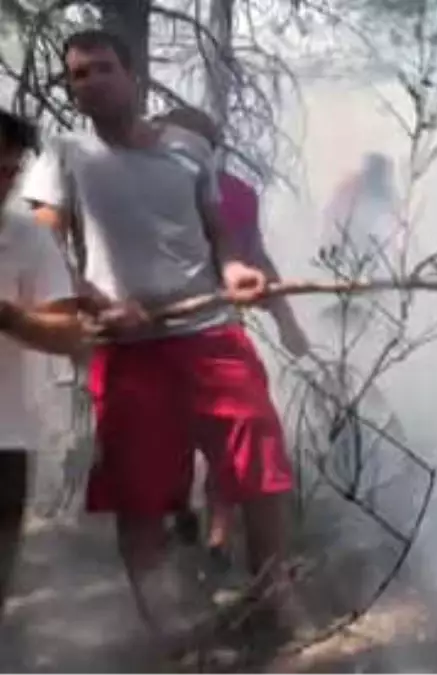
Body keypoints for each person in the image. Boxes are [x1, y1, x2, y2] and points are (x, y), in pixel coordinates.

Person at [21, 29, 307, 649]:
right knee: (141, 491)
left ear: (133, 77)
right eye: (76, 75)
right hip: (129, 354)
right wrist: (99, 303)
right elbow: (40, 246)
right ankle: (167, 627)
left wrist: (234, 272)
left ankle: (274, 598)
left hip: (211, 335)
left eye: (101, 68)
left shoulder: (187, 150)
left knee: (260, 463)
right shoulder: (64, 154)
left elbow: (218, 234)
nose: (88, 82)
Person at [151, 106, 310, 569]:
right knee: (169, 446)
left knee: (234, 442)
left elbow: (254, 257)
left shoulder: (235, 195)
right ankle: (183, 531)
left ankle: (220, 539)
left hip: (213, 333)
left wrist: (287, 322)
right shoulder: (135, 185)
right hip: (149, 338)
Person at [0, 108, 84, 620]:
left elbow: (69, 332)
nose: (4, 184)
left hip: (4, 441)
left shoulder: (27, 238)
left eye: (10, 171)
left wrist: (6, 315)